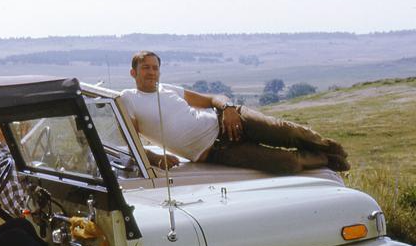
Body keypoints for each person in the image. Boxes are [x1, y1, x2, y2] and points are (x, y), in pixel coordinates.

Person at [121, 51, 349, 175]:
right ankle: (327, 159)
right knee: (286, 164)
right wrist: (154, 158)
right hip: (216, 151)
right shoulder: (128, 98)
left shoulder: (168, 89)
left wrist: (227, 108)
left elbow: (212, 98)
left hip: (227, 120)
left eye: (155, 67)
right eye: (146, 67)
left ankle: (331, 148)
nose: (152, 72)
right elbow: (129, 138)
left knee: (287, 132)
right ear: (133, 73)